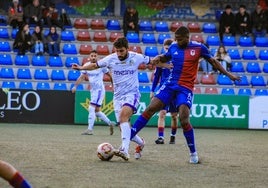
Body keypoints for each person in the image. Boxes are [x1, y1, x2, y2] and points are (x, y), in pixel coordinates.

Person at [129, 26, 241, 164]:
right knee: (150, 108)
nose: (177, 41)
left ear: (188, 38)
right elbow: (165, 57)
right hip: (170, 85)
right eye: (176, 39)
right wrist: (159, 58)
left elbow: (213, 61)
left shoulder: (199, 48)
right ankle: (128, 137)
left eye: (179, 39)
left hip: (185, 88)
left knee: (183, 118)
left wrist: (229, 75)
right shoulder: (174, 47)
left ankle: (193, 153)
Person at [72, 37, 168, 161]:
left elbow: (153, 61)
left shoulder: (136, 57)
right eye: (117, 51)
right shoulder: (110, 58)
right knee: (123, 126)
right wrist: (81, 68)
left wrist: (168, 66)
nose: (119, 54)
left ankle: (124, 150)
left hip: (132, 94)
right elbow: (95, 65)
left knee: (123, 117)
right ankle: (141, 143)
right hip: (117, 96)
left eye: (121, 51)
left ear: (127, 49)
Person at [71, 50, 116, 135]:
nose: (93, 57)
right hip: (93, 90)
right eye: (92, 56)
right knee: (97, 111)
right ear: (89, 57)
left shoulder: (101, 65)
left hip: (99, 90)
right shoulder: (86, 66)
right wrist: (75, 86)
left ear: (97, 57)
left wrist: (113, 86)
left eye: (95, 56)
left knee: (91, 108)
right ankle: (110, 123)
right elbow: (82, 77)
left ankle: (89, 129)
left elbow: (110, 75)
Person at [150, 38, 178, 145]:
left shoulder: (177, 59)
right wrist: (152, 90)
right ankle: (160, 137)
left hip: (174, 90)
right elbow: (157, 76)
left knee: (174, 115)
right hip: (163, 90)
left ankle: (173, 136)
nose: (166, 51)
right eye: (165, 48)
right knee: (162, 113)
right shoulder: (161, 60)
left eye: (168, 49)